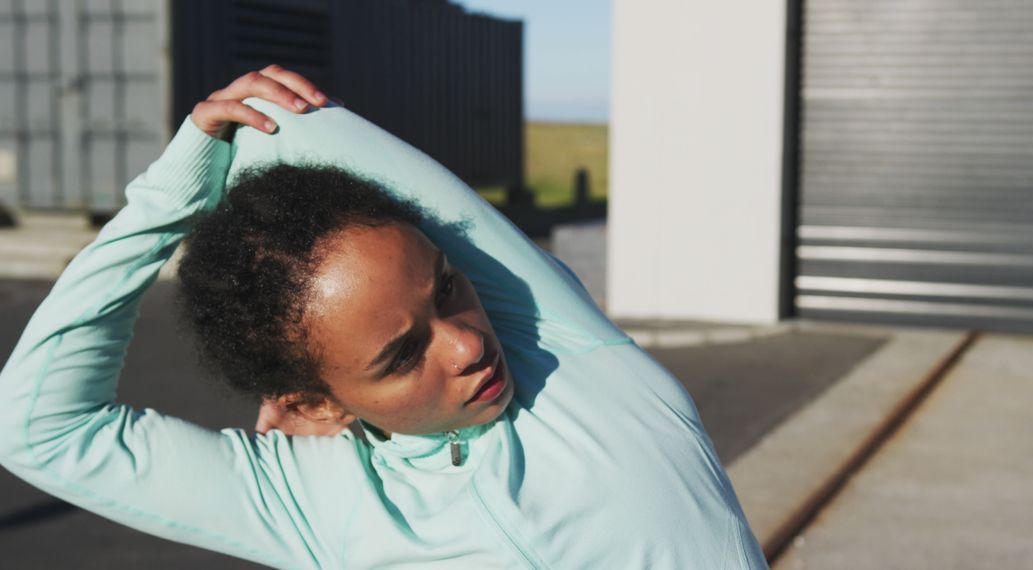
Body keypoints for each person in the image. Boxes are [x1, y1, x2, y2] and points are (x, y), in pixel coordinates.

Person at [0, 65, 767, 569]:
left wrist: (217, 138)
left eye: (447, 289)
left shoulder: (568, 358)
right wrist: (164, 205)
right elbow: (36, 428)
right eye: (401, 357)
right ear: (309, 403)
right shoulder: (307, 501)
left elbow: (287, 122)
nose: (470, 342)